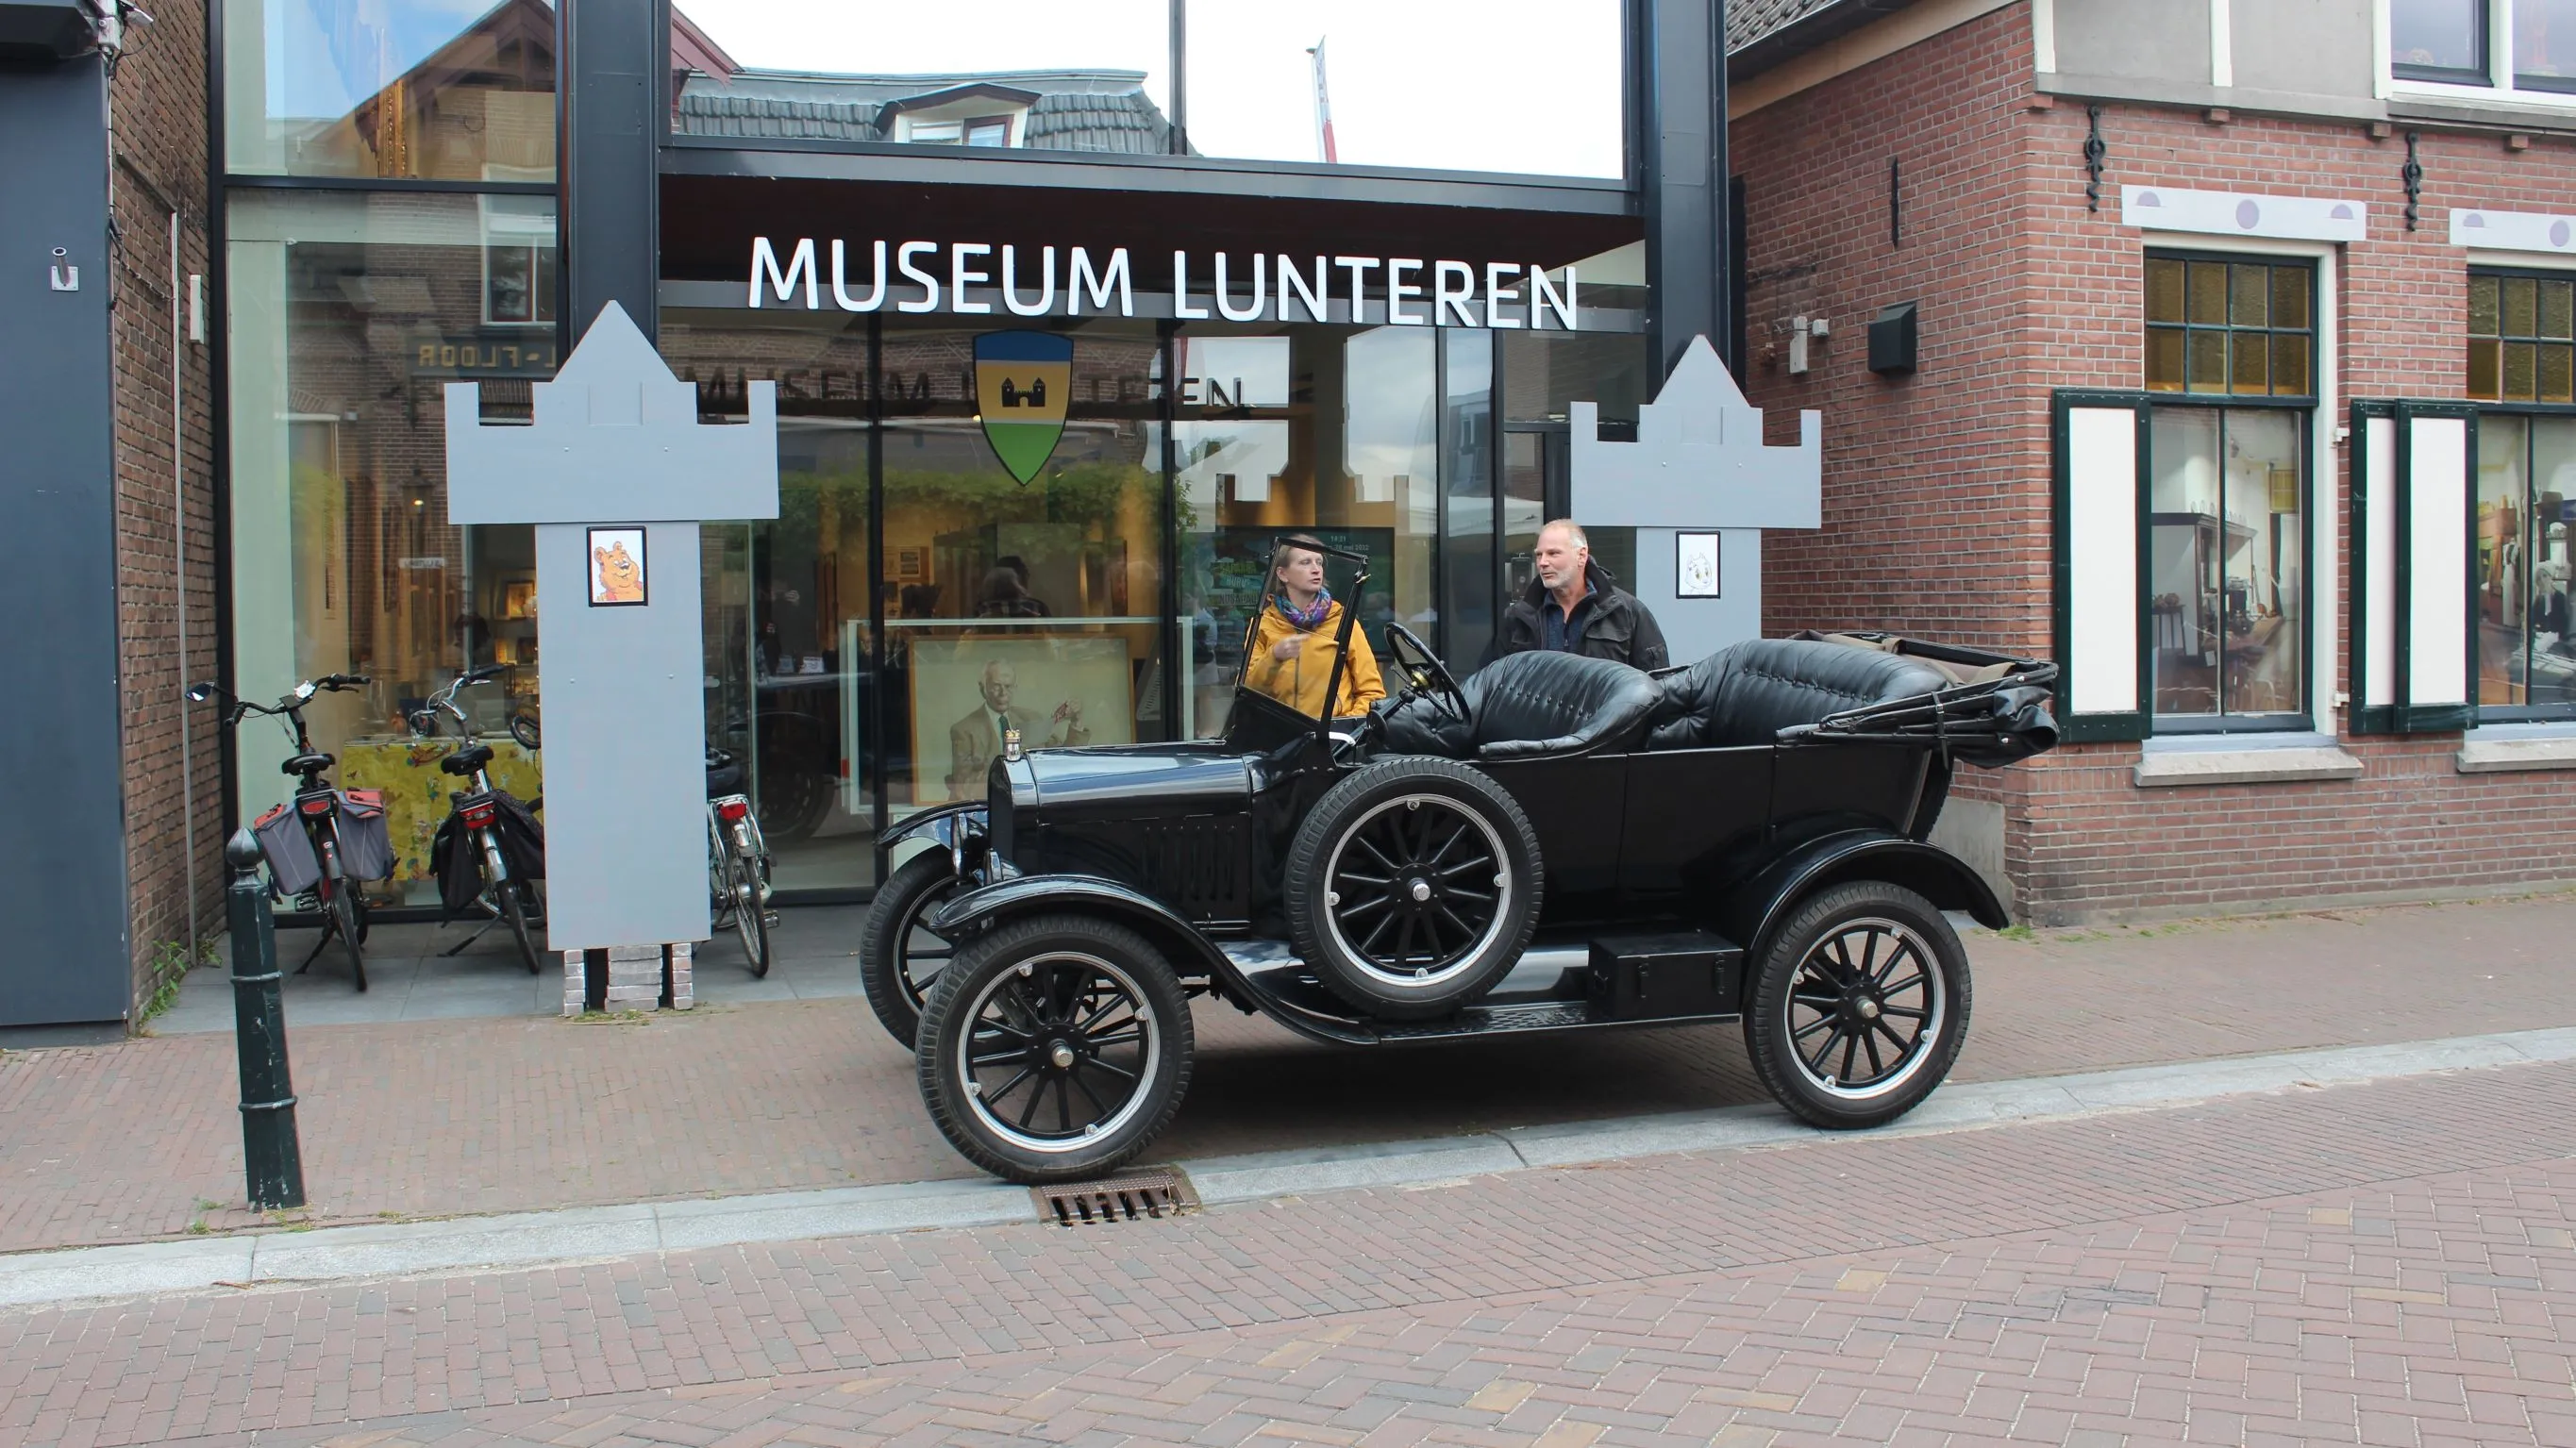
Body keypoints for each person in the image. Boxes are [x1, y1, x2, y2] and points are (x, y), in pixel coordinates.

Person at [1497, 519, 1669, 669]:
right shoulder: (1519, 617)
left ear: (1581, 555)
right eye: (1539, 555)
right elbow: (1493, 682)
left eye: (1553, 553)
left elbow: (1657, 686)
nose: (1543, 562)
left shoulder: (1628, 613)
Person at [1245, 536, 1386, 718]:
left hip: (1332, 737)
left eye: (1319, 562)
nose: (1315, 569)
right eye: (1305, 562)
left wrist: (1345, 725)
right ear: (1282, 574)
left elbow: (1372, 692)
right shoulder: (1264, 622)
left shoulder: (1342, 620)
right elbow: (1249, 691)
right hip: (1280, 734)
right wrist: (1274, 656)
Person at [947, 658, 1087, 798]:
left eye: (1008, 687)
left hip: (1031, 805)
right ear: (983, 688)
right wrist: (1014, 762)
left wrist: (1077, 722)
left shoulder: (1031, 719)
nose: (1003, 693)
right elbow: (964, 785)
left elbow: (1063, 762)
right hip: (989, 810)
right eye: (996, 686)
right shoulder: (963, 730)